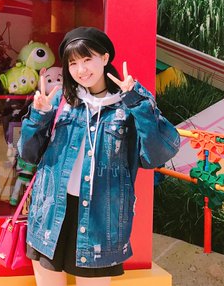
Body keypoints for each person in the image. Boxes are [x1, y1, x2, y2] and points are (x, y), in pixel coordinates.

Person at [18, 27, 180, 286]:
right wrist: (39, 116)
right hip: (51, 213)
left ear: (104, 58)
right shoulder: (61, 100)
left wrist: (138, 102)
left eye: (87, 59)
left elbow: (158, 154)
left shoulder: (128, 104)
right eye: (73, 63)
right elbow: (29, 154)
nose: (81, 70)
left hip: (101, 220)